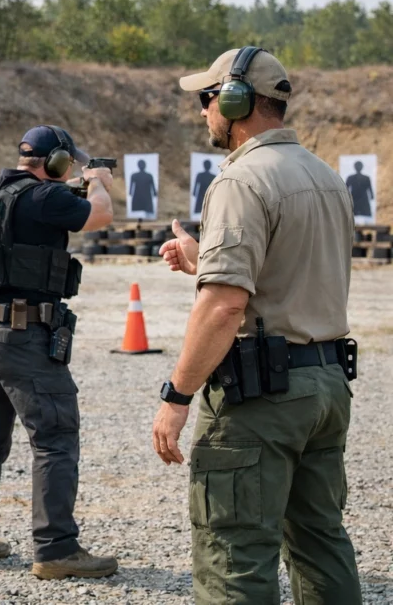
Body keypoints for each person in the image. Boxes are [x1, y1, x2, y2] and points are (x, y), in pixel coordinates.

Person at [154, 47, 362, 604]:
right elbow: (290, 275)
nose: (204, 111)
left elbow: (223, 308)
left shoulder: (241, 181)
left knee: (235, 554)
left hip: (263, 398)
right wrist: (206, 263)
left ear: (236, 99)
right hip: (324, 386)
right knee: (321, 544)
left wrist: (177, 395)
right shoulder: (326, 176)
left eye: (208, 98)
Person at [0, 125, 119, 580]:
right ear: (58, 162)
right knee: (55, 438)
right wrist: (98, 180)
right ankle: (56, 548)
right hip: (22, 332)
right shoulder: (45, 198)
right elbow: (99, 214)